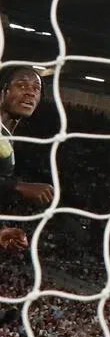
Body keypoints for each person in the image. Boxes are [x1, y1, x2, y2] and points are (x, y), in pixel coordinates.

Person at [0, 65, 54, 252]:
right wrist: (17, 186)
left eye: (36, 89)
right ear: (4, 91)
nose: (30, 92)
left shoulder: (6, 137)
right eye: (22, 85)